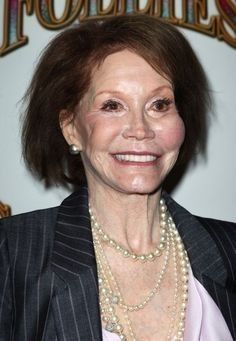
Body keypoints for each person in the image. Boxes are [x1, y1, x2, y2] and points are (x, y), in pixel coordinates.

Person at [0, 14, 235, 341]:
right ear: (71, 127)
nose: (140, 129)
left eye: (159, 104)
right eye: (112, 105)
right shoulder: (11, 253)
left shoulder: (230, 250)